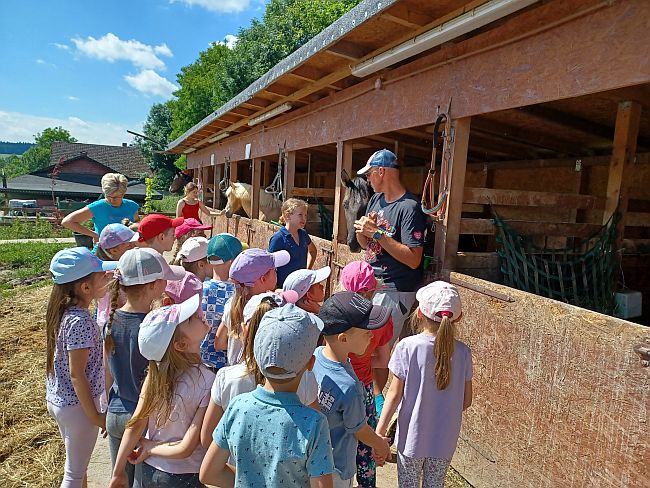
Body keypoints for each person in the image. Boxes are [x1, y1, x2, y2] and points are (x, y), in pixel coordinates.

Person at [199, 304, 335, 488]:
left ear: (257, 355)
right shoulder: (314, 423)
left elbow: (209, 474)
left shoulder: (238, 407)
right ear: (311, 363)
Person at [108, 295, 214, 488]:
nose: (198, 315)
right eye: (190, 319)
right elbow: (186, 448)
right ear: (181, 345)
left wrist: (118, 472)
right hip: (184, 476)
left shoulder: (154, 377)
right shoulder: (207, 381)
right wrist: (150, 448)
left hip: (150, 471)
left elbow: (135, 425)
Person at [376, 281, 473, 488]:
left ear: (419, 313)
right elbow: (466, 401)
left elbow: (393, 395)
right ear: (458, 318)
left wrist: (380, 432)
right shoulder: (464, 352)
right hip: (445, 441)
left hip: (412, 438)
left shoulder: (407, 347)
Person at [103, 248, 186, 487]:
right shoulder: (154, 328)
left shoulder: (110, 321)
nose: (167, 284)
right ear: (152, 286)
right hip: (142, 419)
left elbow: (108, 373)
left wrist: (106, 408)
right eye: (164, 280)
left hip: (116, 413)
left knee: (119, 478)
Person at [353, 148, 426, 413]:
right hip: (372, 284)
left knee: (377, 350)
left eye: (370, 174)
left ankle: (375, 404)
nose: (368, 179)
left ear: (381, 172)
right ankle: (368, 399)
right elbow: (364, 244)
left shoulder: (409, 208)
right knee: (366, 345)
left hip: (394, 288)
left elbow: (414, 259)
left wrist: (378, 234)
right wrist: (364, 231)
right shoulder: (375, 200)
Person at [200, 290, 320, 449]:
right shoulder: (304, 378)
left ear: (244, 330)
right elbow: (315, 434)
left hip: (232, 464)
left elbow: (207, 439)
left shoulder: (226, 379)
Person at [45, 247, 117, 488]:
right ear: (85, 287)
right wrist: (95, 416)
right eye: (102, 275)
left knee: (78, 466)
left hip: (60, 400)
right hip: (78, 407)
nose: (107, 277)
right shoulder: (81, 321)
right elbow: (77, 375)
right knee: (73, 475)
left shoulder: (64, 312)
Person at [314, 291, 392, 488]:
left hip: (315, 460)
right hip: (338, 468)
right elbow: (359, 429)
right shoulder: (349, 386)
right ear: (343, 339)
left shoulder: (315, 357)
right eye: (366, 332)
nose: (371, 335)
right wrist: (380, 444)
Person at [339, 261, 394, 488]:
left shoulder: (337, 316)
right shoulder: (381, 319)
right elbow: (383, 360)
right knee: (366, 443)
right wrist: (363, 361)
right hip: (365, 387)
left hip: (337, 384)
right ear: (372, 291)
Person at [218, 248, 290, 366]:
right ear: (263, 279)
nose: (277, 272)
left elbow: (219, 343)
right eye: (274, 270)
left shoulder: (231, 304)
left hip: (233, 370)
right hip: (257, 371)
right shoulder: (269, 308)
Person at [200, 234, 244, 371]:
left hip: (199, 361)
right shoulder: (238, 293)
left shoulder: (199, 289)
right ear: (233, 261)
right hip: (225, 365)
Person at [62, 173, 139, 242]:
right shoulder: (97, 207)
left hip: (128, 248)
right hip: (103, 249)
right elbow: (67, 222)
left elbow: (137, 222)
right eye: (108, 196)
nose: (112, 200)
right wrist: (94, 235)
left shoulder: (132, 206)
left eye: (116, 197)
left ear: (123, 193)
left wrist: (134, 227)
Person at [95, 224, 137, 330]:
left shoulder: (105, 270)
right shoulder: (111, 274)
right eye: (129, 246)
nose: (135, 247)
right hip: (115, 324)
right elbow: (119, 304)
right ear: (113, 250)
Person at [268, 198, 317, 287]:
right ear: (287, 216)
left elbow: (313, 251)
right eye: (300, 215)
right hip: (283, 287)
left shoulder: (303, 234)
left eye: (305, 215)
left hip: (300, 286)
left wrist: (307, 270)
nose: (304, 218)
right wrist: (274, 288)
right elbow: (269, 266)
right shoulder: (278, 238)